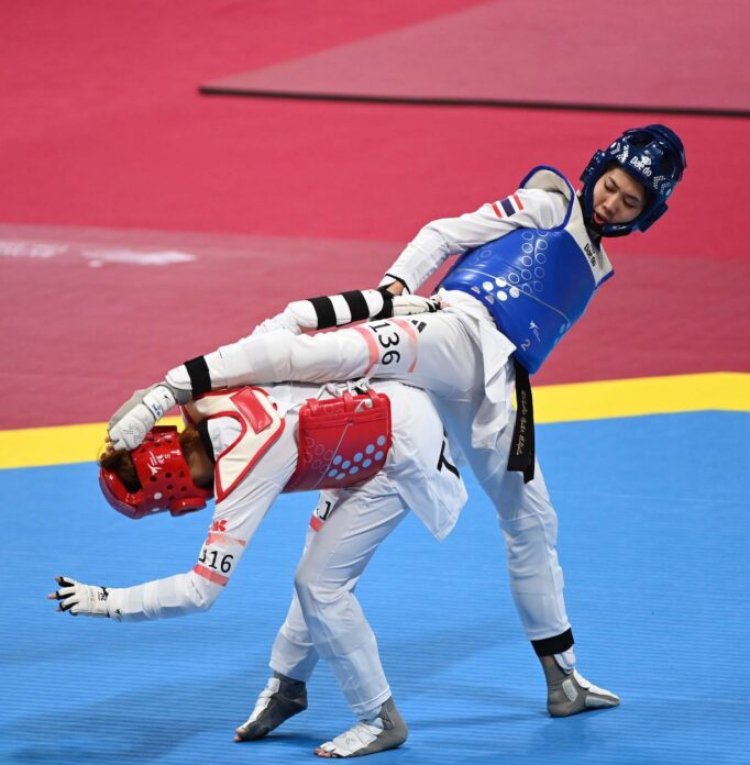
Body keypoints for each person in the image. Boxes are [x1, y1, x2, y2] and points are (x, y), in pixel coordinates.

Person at [107, 125, 686, 717]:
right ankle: (285, 677)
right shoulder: (547, 204)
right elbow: (443, 234)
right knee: (322, 357)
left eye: (629, 202)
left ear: (644, 215)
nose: (611, 203)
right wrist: (393, 290)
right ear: (596, 171)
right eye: (611, 187)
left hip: (493, 389)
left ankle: (562, 679)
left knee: (532, 520)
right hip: (454, 329)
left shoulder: (598, 264)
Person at [50, 377, 467, 758]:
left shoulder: (243, 467)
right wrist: (148, 402)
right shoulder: (202, 399)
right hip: (371, 423)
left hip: (394, 453)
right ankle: (288, 688)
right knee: (317, 566)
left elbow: (200, 592)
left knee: (321, 585)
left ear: (170, 487)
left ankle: (380, 719)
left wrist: (105, 602)